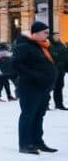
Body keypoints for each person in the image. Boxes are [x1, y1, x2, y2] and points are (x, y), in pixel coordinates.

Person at [14, 21, 57, 154]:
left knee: (39, 115)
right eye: (45, 32)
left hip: (43, 88)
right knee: (28, 115)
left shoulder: (42, 46)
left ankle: (37, 141)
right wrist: (35, 76)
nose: (47, 35)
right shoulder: (25, 46)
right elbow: (16, 64)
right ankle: (25, 144)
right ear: (36, 33)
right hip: (30, 88)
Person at [49, 33, 67, 110]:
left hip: (61, 70)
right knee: (49, 87)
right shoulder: (49, 45)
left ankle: (59, 103)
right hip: (53, 69)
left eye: (59, 36)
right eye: (56, 36)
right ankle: (45, 104)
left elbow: (66, 57)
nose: (58, 37)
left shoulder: (62, 45)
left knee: (59, 87)